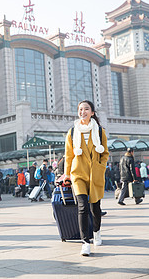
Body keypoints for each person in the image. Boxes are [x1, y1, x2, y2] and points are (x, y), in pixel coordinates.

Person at [64, 100, 109, 256]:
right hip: (78, 174)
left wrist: (100, 166)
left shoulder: (99, 131)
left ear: (92, 113)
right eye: (80, 109)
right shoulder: (72, 132)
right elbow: (68, 155)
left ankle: (96, 232)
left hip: (95, 174)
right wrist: (67, 173)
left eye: (86, 109)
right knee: (82, 206)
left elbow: (105, 154)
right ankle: (85, 242)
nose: (83, 112)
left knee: (95, 208)